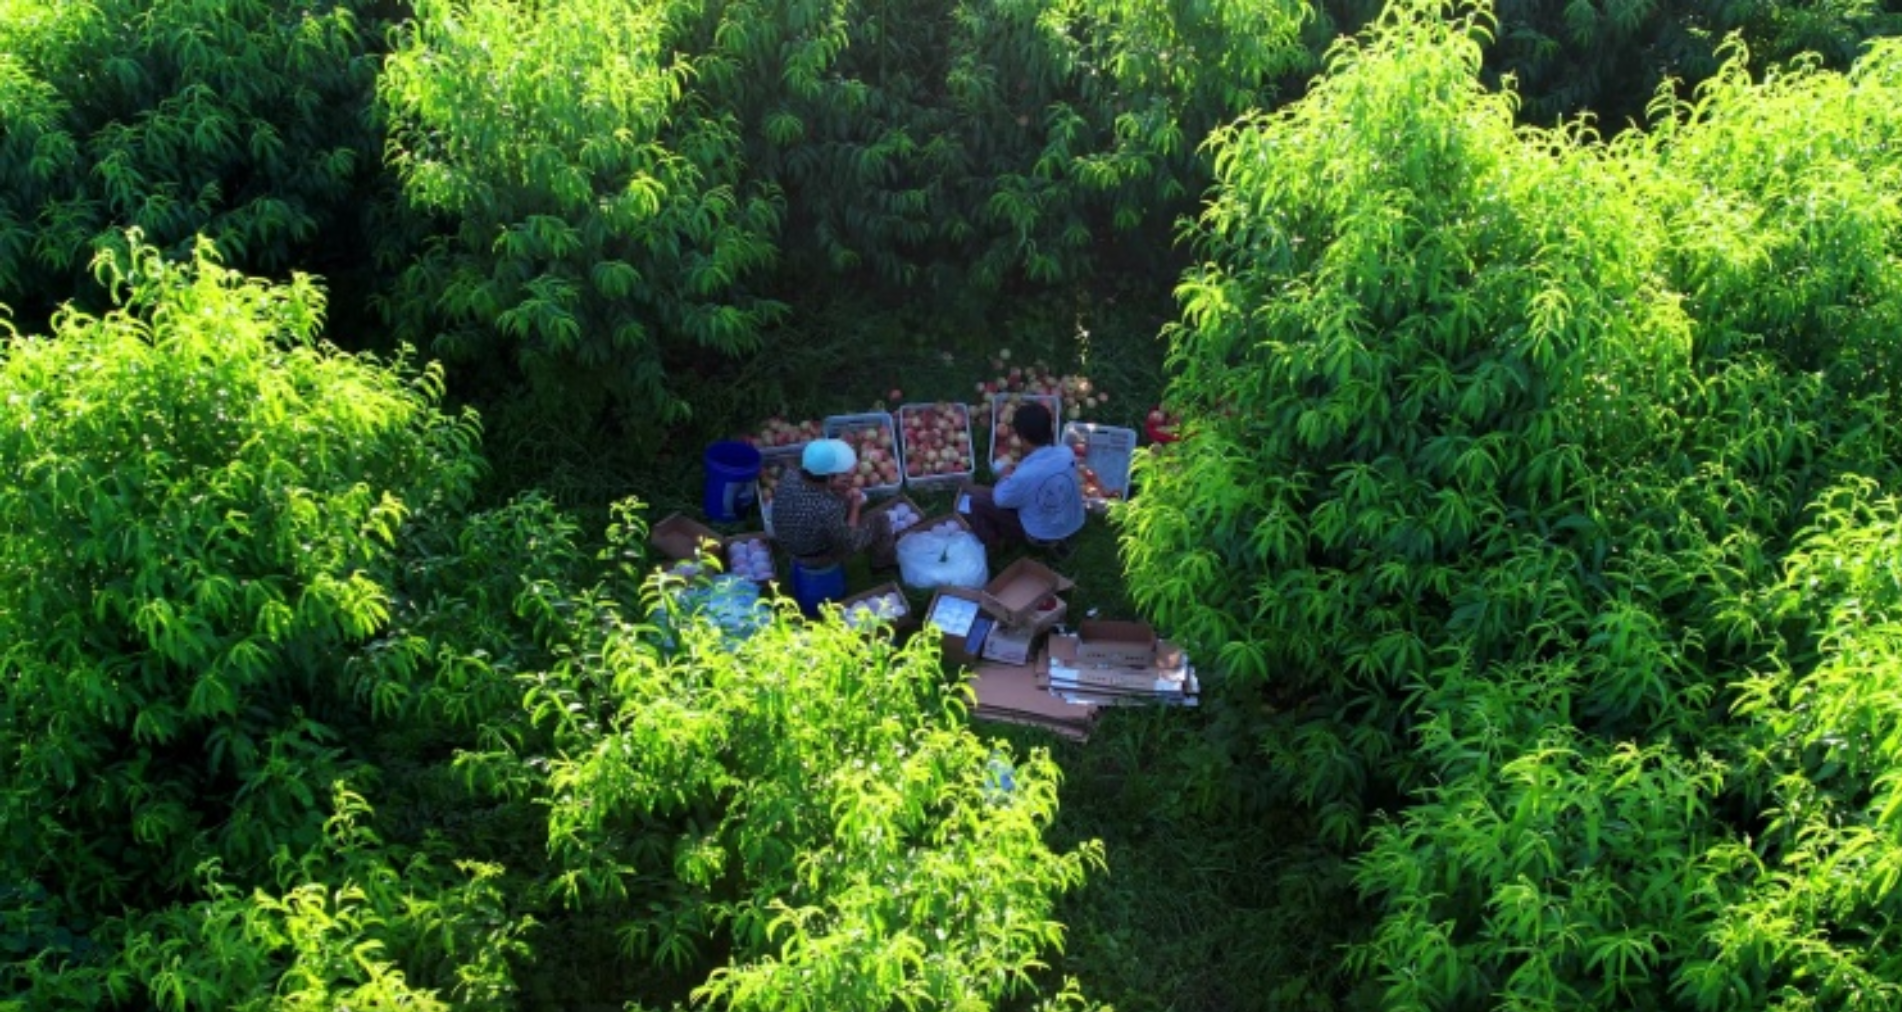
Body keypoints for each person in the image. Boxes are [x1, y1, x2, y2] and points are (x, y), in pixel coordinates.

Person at [960, 401, 1084, 555]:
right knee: (997, 492)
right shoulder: (1066, 453)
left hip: (1039, 535)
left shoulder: (1024, 475)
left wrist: (1005, 475)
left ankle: (995, 544)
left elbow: (1000, 500)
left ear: (1023, 438)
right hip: (1073, 522)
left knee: (976, 500)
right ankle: (1061, 541)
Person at [771, 438, 897, 576]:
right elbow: (850, 542)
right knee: (880, 519)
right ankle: (883, 565)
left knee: (842, 505)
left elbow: (819, 496)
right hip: (814, 557)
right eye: (840, 474)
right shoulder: (828, 507)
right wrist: (855, 506)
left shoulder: (790, 475)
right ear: (829, 477)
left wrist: (840, 493)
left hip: (788, 539)